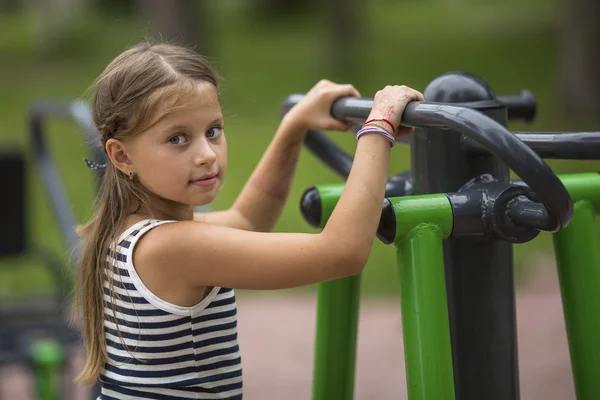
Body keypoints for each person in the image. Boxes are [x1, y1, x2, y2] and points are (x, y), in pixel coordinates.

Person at [74, 41, 424, 399]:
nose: (206, 155)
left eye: (212, 131)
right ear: (121, 156)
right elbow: (341, 252)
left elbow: (247, 219)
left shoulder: (131, 233)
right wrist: (378, 126)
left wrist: (293, 127)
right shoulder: (170, 247)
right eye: (177, 139)